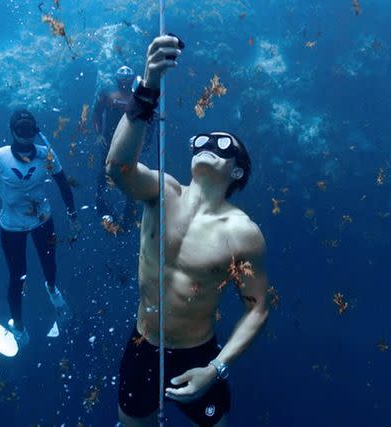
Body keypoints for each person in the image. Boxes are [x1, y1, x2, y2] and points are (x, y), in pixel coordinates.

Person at [106, 35, 270, 427]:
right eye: (200, 140)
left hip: (198, 353)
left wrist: (216, 369)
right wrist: (147, 88)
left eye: (221, 142)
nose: (206, 143)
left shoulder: (244, 233)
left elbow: (258, 308)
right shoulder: (163, 192)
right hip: (142, 345)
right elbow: (117, 168)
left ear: (238, 170)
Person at [0, 108, 80, 347]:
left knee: (50, 263)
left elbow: (62, 183)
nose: (27, 137)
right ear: (12, 131)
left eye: (30, 131)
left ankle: (53, 291)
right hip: (12, 226)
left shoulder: (45, 154)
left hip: (42, 220)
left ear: (36, 130)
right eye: (22, 131)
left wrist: (73, 215)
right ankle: (19, 327)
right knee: (17, 277)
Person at [93, 65, 156, 231]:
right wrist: (99, 134)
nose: (125, 80)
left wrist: (147, 141)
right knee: (104, 172)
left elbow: (151, 120)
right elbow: (96, 113)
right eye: (122, 77)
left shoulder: (136, 97)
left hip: (131, 143)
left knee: (129, 172)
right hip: (109, 141)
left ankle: (129, 211)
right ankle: (102, 207)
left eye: (127, 77)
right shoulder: (107, 95)